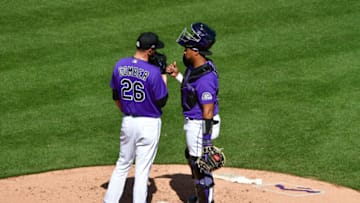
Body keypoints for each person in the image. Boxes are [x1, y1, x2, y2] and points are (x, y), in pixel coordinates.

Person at [104, 32, 168, 203]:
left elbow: (116, 97)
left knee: (122, 164)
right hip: (149, 124)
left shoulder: (120, 65)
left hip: (128, 121)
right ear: (150, 51)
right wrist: (163, 74)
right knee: (142, 171)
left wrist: (128, 111)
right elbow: (162, 100)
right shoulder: (154, 72)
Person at [166, 22, 220, 203]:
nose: (184, 52)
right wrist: (177, 76)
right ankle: (202, 197)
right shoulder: (195, 68)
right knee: (192, 157)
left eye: (187, 49)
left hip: (201, 124)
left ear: (196, 51)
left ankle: (206, 201)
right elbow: (191, 90)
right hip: (197, 122)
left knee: (200, 165)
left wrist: (206, 142)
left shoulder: (205, 78)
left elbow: (208, 110)